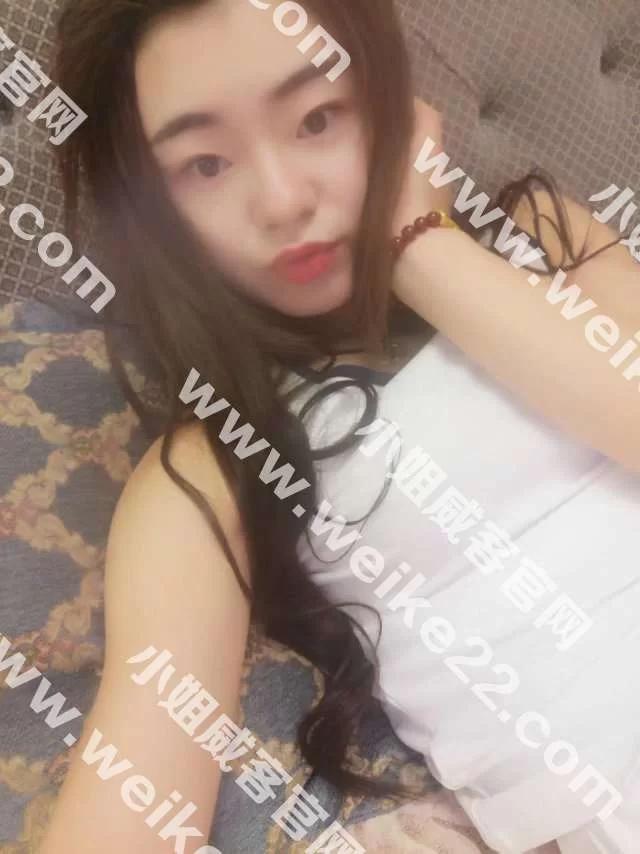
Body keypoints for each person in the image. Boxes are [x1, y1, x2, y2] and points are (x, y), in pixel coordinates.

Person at [40, 0, 639, 852]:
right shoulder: (216, 461)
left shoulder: (544, 237)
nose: (283, 200)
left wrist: (421, 247)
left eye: (318, 118)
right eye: (205, 164)